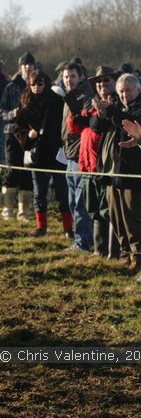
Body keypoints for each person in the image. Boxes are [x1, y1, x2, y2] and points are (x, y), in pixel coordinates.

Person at [91, 73, 141, 276]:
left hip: (133, 175)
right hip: (113, 172)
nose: (124, 95)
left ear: (137, 90)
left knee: (133, 218)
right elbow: (96, 127)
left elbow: (128, 122)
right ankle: (124, 255)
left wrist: (111, 111)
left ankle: (138, 258)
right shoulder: (117, 108)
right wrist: (101, 113)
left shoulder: (136, 109)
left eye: (128, 90)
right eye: (120, 91)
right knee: (117, 217)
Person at [14, 71, 72, 237]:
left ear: (45, 84)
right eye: (33, 84)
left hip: (56, 152)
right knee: (39, 193)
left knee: (63, 192)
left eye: (39, 84)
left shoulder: (57, 101)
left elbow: (65, 125)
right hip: (37, 153)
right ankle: (41, 227)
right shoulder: (25, 103)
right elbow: (18, 128)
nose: (36, 87)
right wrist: (28, 137)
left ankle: (68, 228)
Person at [71, 66, 120, 257]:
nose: (102, 84)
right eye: (98, 82)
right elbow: (81, 127)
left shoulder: (118, 103)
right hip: (88, 166)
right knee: (95, 211)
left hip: (108, 168)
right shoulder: (91, 104)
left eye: (106, 80)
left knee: (109, 211)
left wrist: (105, 113)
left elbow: (103, 128)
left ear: (114, 82)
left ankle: (113, 254)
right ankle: (99, 251)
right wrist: (78, 113)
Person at [61, 62, 94, 252]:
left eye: (72, 76)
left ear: (81, 77)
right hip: (69, 156)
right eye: (66, 76)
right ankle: (80, 239)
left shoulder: (86, 98)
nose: (68, 80)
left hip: (81, 158)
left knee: (81, 203)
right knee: (73, 201)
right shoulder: (69, 97)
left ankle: (84, 242)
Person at [0, 52, 35, 221]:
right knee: (13, 169)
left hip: (30, 135)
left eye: (30, 64)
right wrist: (12, 113)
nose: (27, 67)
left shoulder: (37, 85)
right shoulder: (10, 86)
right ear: (20, 67)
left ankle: (24, 212)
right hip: (12, 132)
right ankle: (7, 209)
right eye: (25, 64)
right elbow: (1, 111)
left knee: (28, 171)